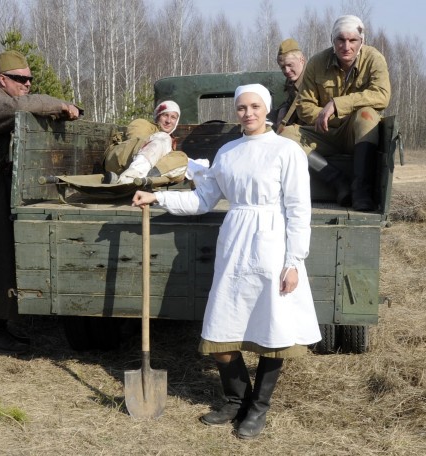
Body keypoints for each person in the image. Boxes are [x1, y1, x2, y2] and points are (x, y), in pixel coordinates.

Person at [132, 84, 321, 439]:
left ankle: (258, 409)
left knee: (272, 327)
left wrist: (293, 260)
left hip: (273, 243)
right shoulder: (229, 152)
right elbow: (202, 199)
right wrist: (156, 197)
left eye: (254, 106)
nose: (247, 113)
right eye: (241, 108)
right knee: (223, 327)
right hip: (235, 243)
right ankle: (237, 400)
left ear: (265, 109)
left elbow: (299, 209)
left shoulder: (286, 151)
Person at [0, 50, 81, 354]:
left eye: (29, 79)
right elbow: (20, 108)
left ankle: (0, 322)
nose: (27, 83)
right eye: (20, 79)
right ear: (3, 79)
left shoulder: (2, 100)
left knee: (2, 258)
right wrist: (59, 105)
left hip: (1, 188)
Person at [280, 14, 391, 211]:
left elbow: (381, 95)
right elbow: (305, 105)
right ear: (333, 40)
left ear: (361, 41)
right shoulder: (317, 63)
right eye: (340, 40)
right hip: (324, 132)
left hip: (357, 134)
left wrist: (336, 105)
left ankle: (361, 191)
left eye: (352, 40)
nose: (346, 46)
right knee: (285, 135)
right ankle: (338, 181)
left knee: (367, 115)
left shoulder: (374, 59)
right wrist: (327, 116)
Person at [105, 100, 187, 185]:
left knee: (183, 158)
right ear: (158, 116)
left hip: (145, 172)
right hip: (120, 160)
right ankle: (129, 178)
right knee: (163, 137)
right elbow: (139, 145)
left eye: (173, 117)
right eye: (165, 115)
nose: (168, 121)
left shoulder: (168, 142)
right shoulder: (143, 124)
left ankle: (144, 178)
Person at [270, 38, 306, 132]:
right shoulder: (291, 81)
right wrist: (283, 110)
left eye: (290, 65)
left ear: (302, 60)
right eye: (283, 67)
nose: (286, 71)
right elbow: (290, 101)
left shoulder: (311, 80)